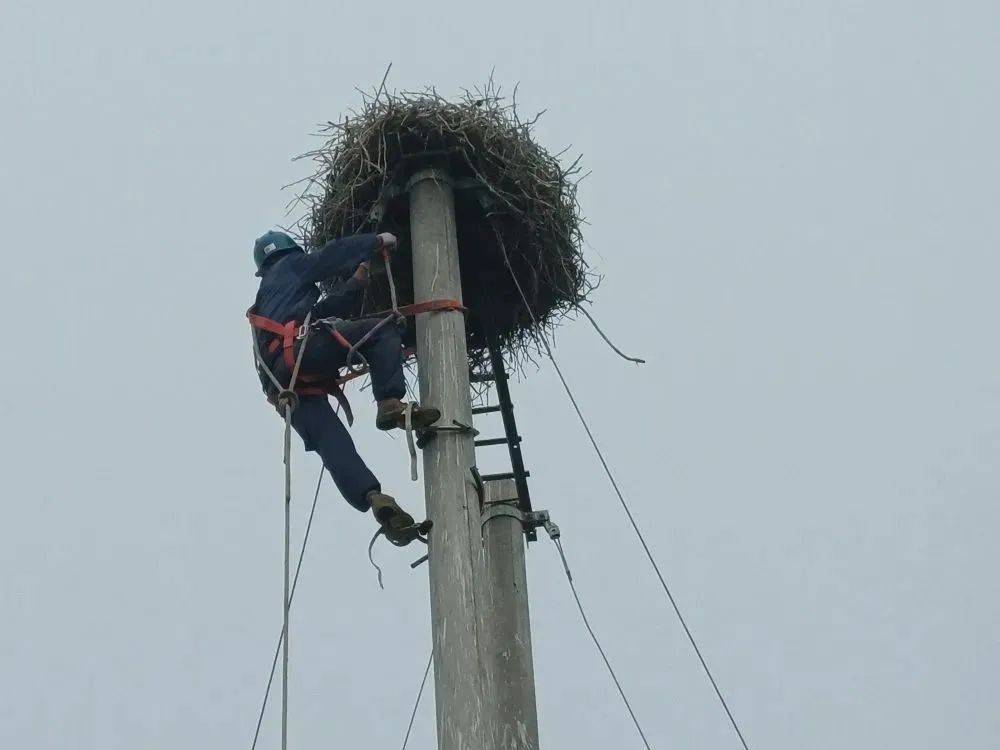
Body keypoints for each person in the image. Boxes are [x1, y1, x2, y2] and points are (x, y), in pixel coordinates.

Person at [248, 230, 440, 543]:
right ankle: (389, 403)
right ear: (289, 252)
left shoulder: (271, 298)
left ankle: (372, 497)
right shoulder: (290, 266)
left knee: (330, 442)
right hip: (299, 353)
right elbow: (329, 257)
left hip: (285, 391)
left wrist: (358, 281)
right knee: (382, 330)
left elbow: (324, 311)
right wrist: (374, 242)